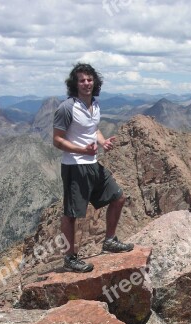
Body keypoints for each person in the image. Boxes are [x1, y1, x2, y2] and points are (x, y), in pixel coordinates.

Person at [53, 63, 134, 273]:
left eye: (89, 80)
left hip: (92, 164)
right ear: (75, 84)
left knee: (118, 197)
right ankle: (70, 258)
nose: (86, 83)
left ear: (95, 82)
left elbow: (93, 129)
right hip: (74, 166)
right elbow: (57, 141)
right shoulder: (67, 108)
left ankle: (109, 240)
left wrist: (102, 141)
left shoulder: (95, 105)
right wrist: (82, 150)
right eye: (82, 80)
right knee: (71, 214)